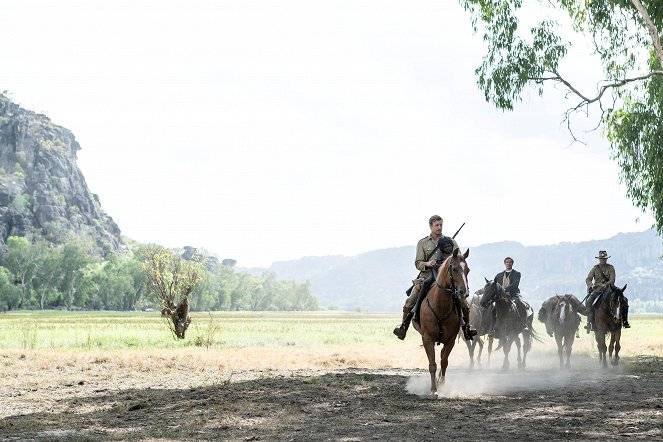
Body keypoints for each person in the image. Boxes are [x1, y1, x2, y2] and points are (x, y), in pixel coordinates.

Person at [392, 215, 475, 341]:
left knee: (462, 299)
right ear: (431, 226)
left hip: (447, 276)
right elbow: (418, 263)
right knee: (412, 297)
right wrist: (427, 264)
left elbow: (458, 259)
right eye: (436, 225)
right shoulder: (422, 243)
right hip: (428, 275)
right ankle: (403, 326)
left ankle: (467, 327)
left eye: (441, 225)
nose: (439, 227)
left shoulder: (450, 242)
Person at [584, 250, 630, 331]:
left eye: (604, 258)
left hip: (610, 289)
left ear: (606, 259)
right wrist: (592, 286)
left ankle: (625, 321)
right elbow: (588, 279)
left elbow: (612, 280)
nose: (603, 260)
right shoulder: (595, 268)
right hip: (597, 289)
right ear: (599, 259)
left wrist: (605, 284)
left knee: (625, 300)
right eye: (601, 258)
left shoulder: (611, 268)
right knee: (589, 302)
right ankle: (590, 323)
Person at [489, 256, 530, 336]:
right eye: (507, 262)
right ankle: (493, 329)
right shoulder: (499, 275)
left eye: (510, 262)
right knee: (493, 309)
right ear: (505, 263)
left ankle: (523, 325)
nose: (508, 263)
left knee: (521, 304)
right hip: (501, 296)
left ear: (512, 264)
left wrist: (506, 290)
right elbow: (494, 285)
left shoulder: (517, 274)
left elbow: (515, 284)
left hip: (514, 294)